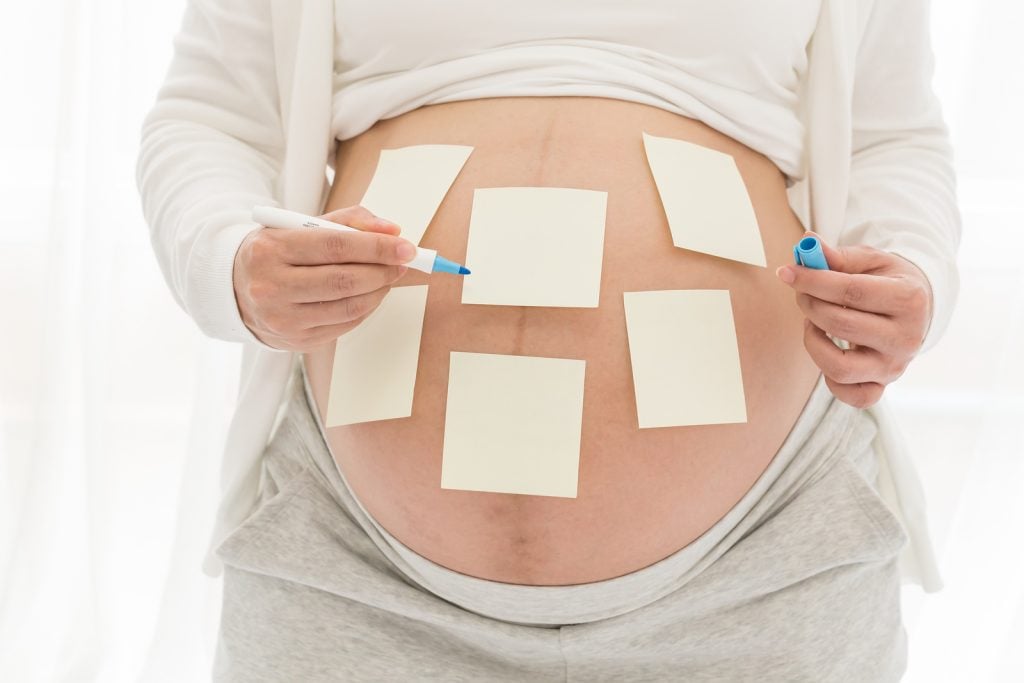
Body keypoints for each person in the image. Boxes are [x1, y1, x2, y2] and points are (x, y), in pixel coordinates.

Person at [135, 0, 960, 680]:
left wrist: (912, 274)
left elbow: (891, 137)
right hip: (352, 569)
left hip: (762, 566)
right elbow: (213, 116)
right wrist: (229, 261)